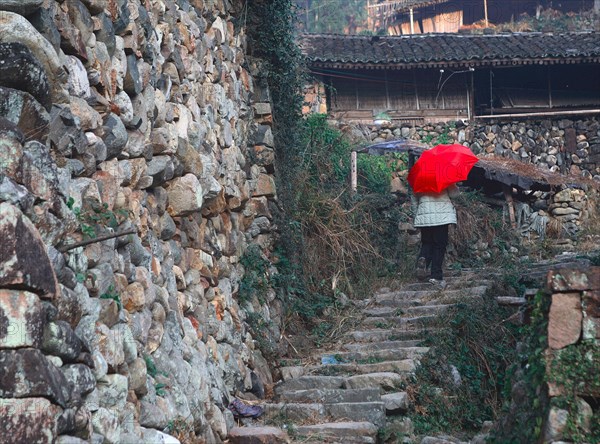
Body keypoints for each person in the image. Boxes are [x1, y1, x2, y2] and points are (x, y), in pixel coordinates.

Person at [412, 184, 459, 289]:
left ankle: (423, 259)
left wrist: (417, 215)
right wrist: (454, 185)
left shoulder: (419, 179)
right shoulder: (444, 176)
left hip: (424, 215)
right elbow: (454, 194)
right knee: (439, 244)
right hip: (442, 216)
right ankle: (436, 275)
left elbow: (414, 199)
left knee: (427, 242)